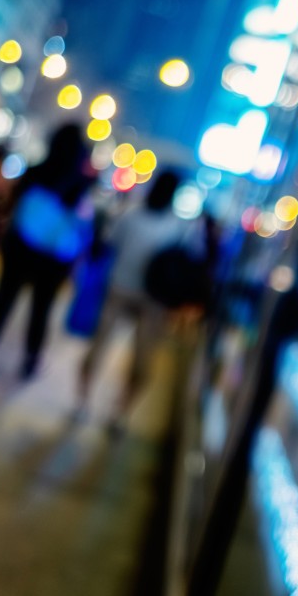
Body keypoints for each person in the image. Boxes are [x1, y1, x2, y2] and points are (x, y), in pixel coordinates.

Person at [77, 169, 206, 433]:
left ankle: (89, 405)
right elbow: (195, 259)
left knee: (108, 349)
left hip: (127, 291)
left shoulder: (134, 215)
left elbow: (108, 244)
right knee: (137, 359)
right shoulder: (175, 225)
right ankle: (115, 412)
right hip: (144, 296)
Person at [0, 122, 96, 382]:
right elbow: (82, 226)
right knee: (41, 311)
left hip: (20, 250)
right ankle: (30, 360)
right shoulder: (81, 184)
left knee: (2, 302)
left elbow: (14, 206)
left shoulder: (36, 172)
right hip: (53, 260)